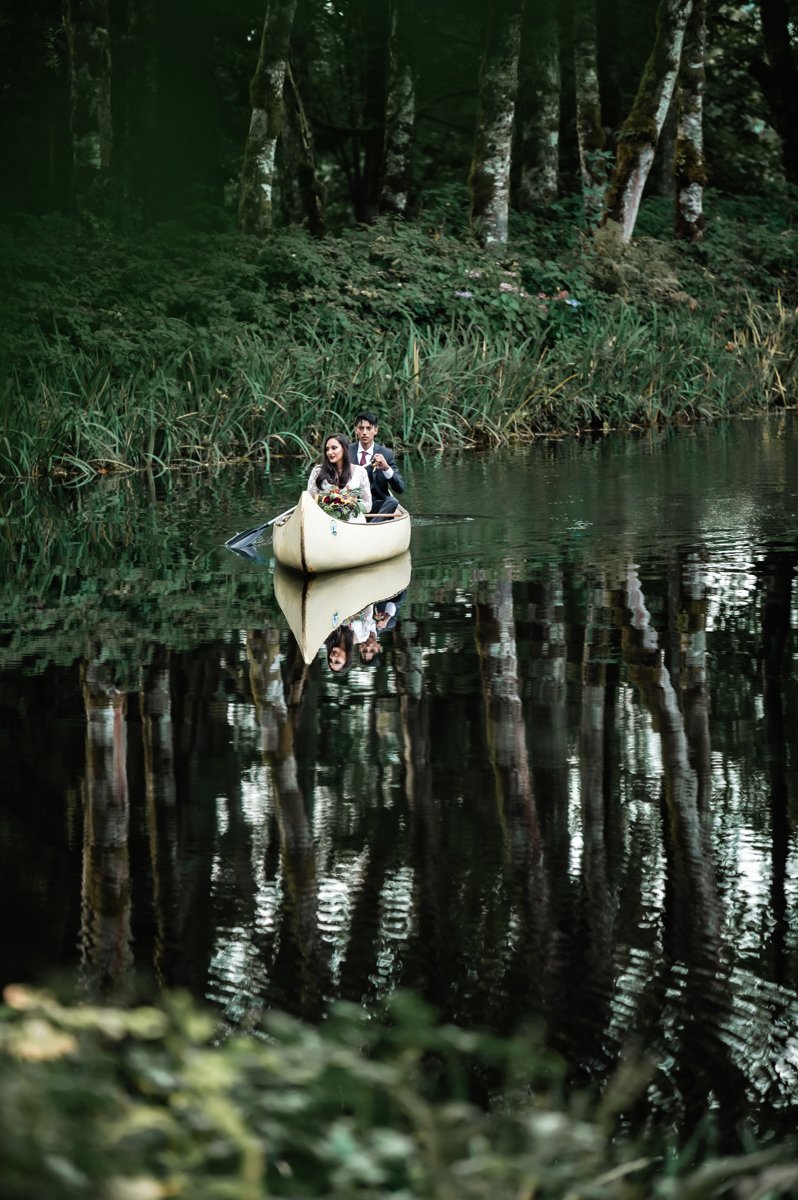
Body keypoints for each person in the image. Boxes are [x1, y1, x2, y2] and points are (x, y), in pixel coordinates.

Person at [349, 411, 405, 520]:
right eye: (361, 428)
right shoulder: (346, 451)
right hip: (351, 504)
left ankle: (372, 527)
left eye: (369, 428)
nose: (365, 432)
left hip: (376, 506)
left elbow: (400, 488)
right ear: (356, 430)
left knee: (392, 501)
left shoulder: (386, 454)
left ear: (375, 430)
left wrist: (386, 468)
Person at [307, 432, 371, 521]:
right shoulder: (317, 471)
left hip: (353, 520)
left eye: (334, 448)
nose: (329, 452)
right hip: (324, 519)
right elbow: (309, 501)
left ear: (344, 449)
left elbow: (368, 505)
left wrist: (352, 504)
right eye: (327, 449)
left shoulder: (361, 472)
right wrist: (327, 504)